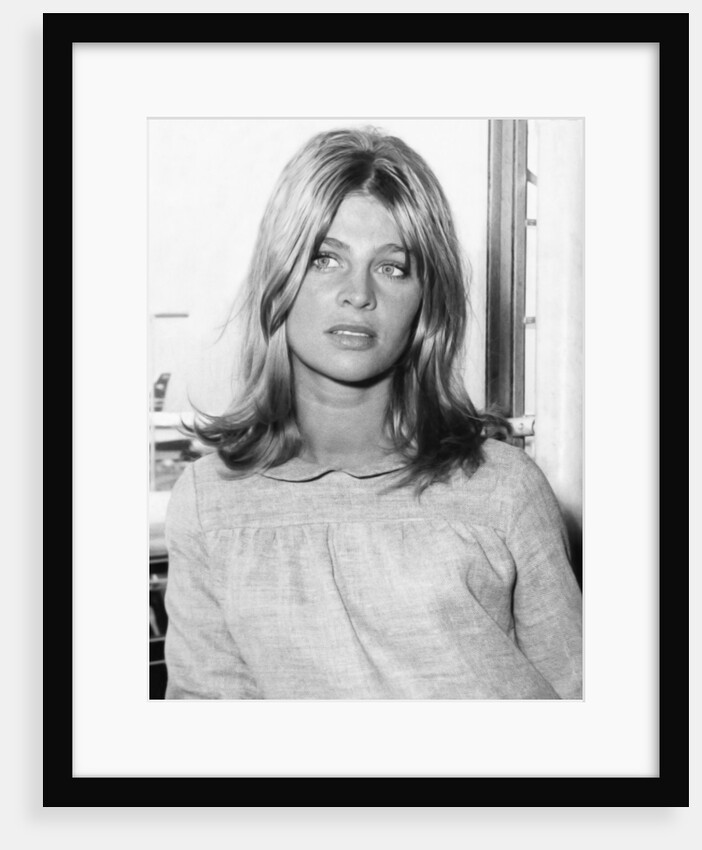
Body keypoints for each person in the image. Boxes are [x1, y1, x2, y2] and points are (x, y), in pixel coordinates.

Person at [163, 126, 582, 700]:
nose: (358, 293)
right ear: (279, 277)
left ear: (425, 301)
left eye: (392, 267)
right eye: (326, 259)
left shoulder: (504, 488)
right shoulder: (208, 500)